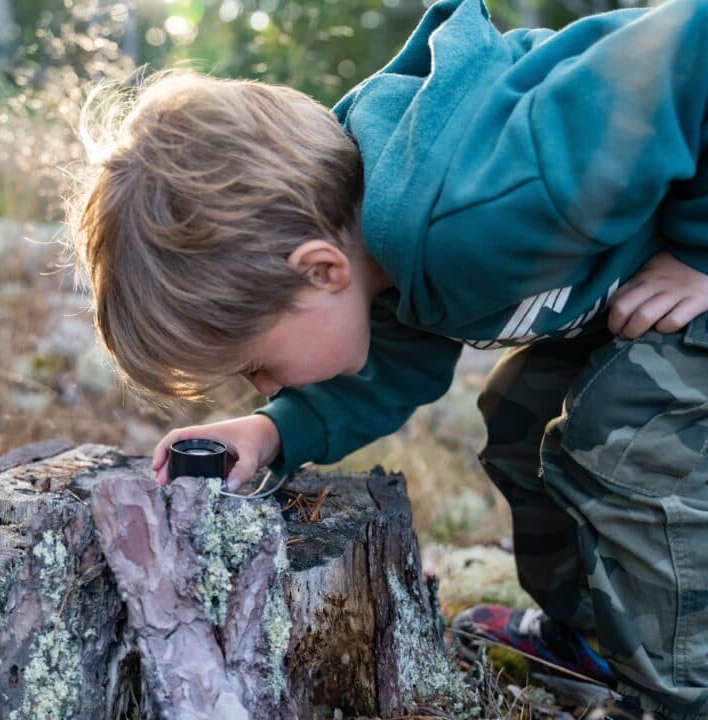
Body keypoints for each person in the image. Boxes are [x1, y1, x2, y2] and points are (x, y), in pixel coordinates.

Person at [69, 0, 708, 716]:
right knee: (519, 415)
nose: (261, 382)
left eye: (258, 366)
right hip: (658, 301)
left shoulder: (479, 207)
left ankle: (684, 694)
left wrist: (695, 250)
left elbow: (693, 49)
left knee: (626, 432)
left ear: (320, 271)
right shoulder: (378, 246)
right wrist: (275, 428)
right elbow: (393, 360)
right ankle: (602, 641)